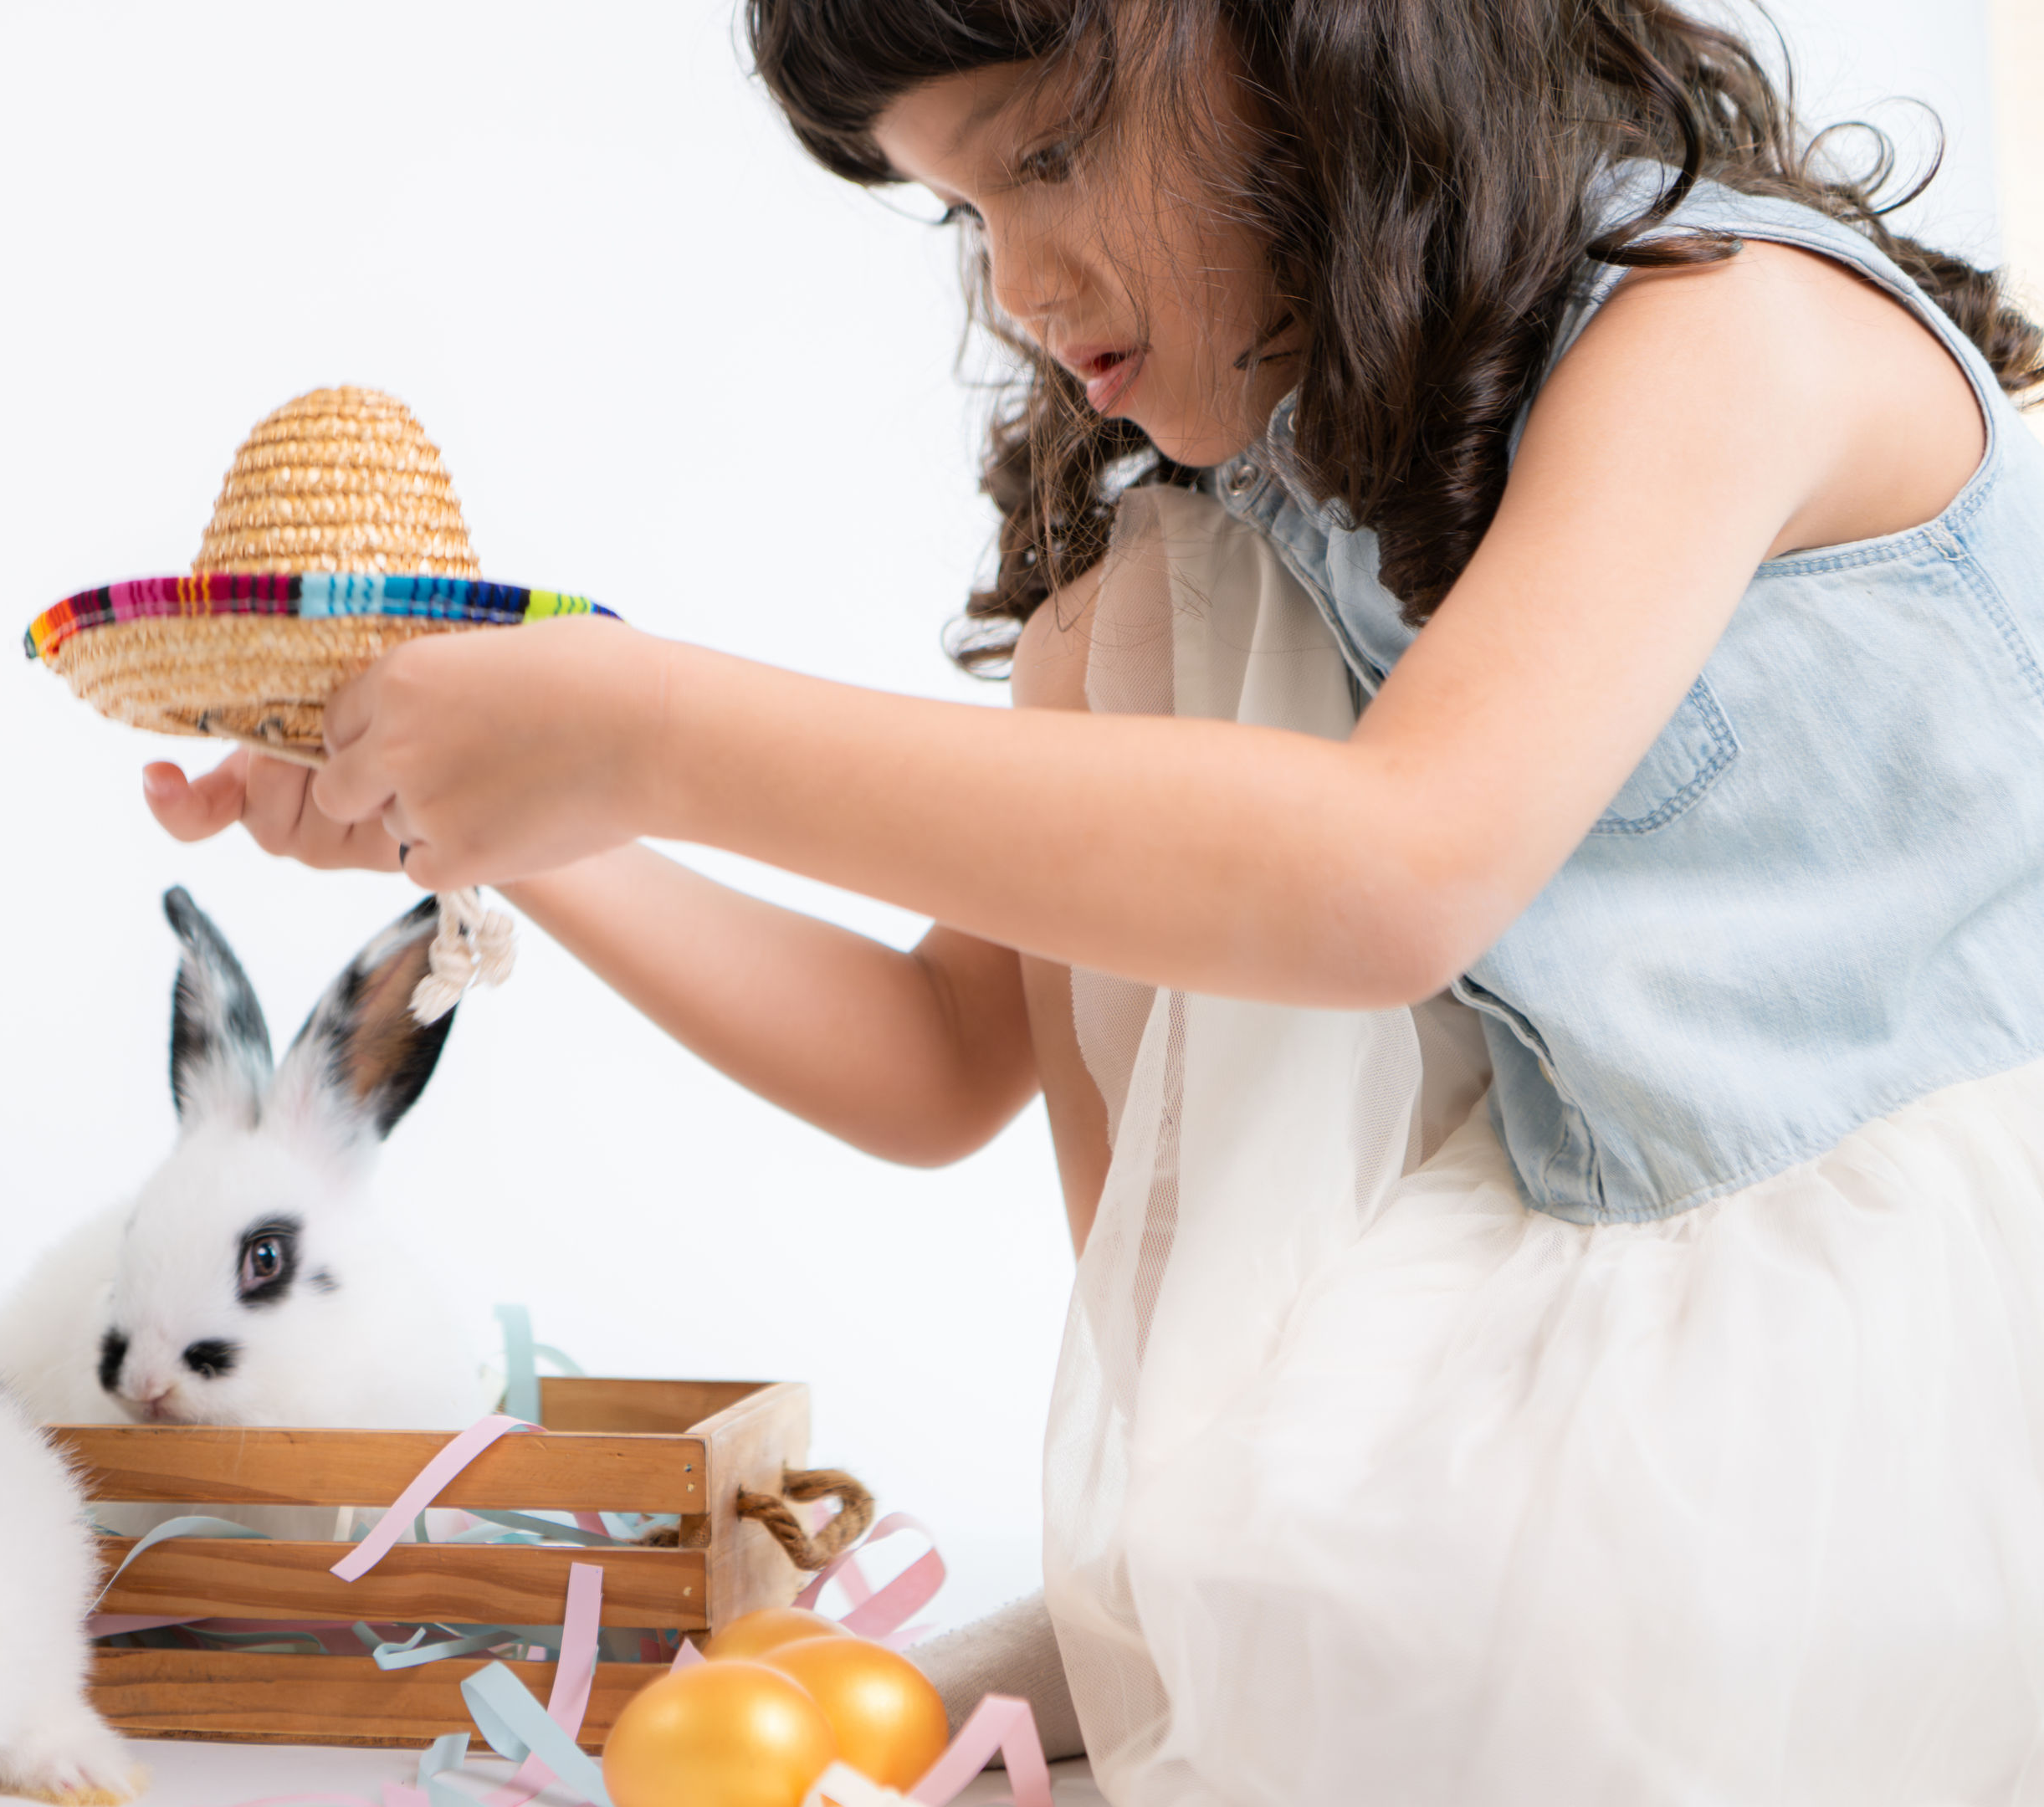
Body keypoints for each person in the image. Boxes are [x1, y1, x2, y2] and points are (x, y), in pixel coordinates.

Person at [142, 0, 2044, 1798]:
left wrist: (648, 726)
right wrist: (497, 823)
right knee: (1127, 616)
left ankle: (1209, 1612)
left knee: (1186, 665)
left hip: (1927, 1327)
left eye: (1048, 155)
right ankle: (1189, 1581)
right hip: (1607, 1279)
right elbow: (945, 1050)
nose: (1018, 285)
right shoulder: (1262, 493)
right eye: (964, 208)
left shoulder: (1727, 333)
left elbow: (1396, 872)